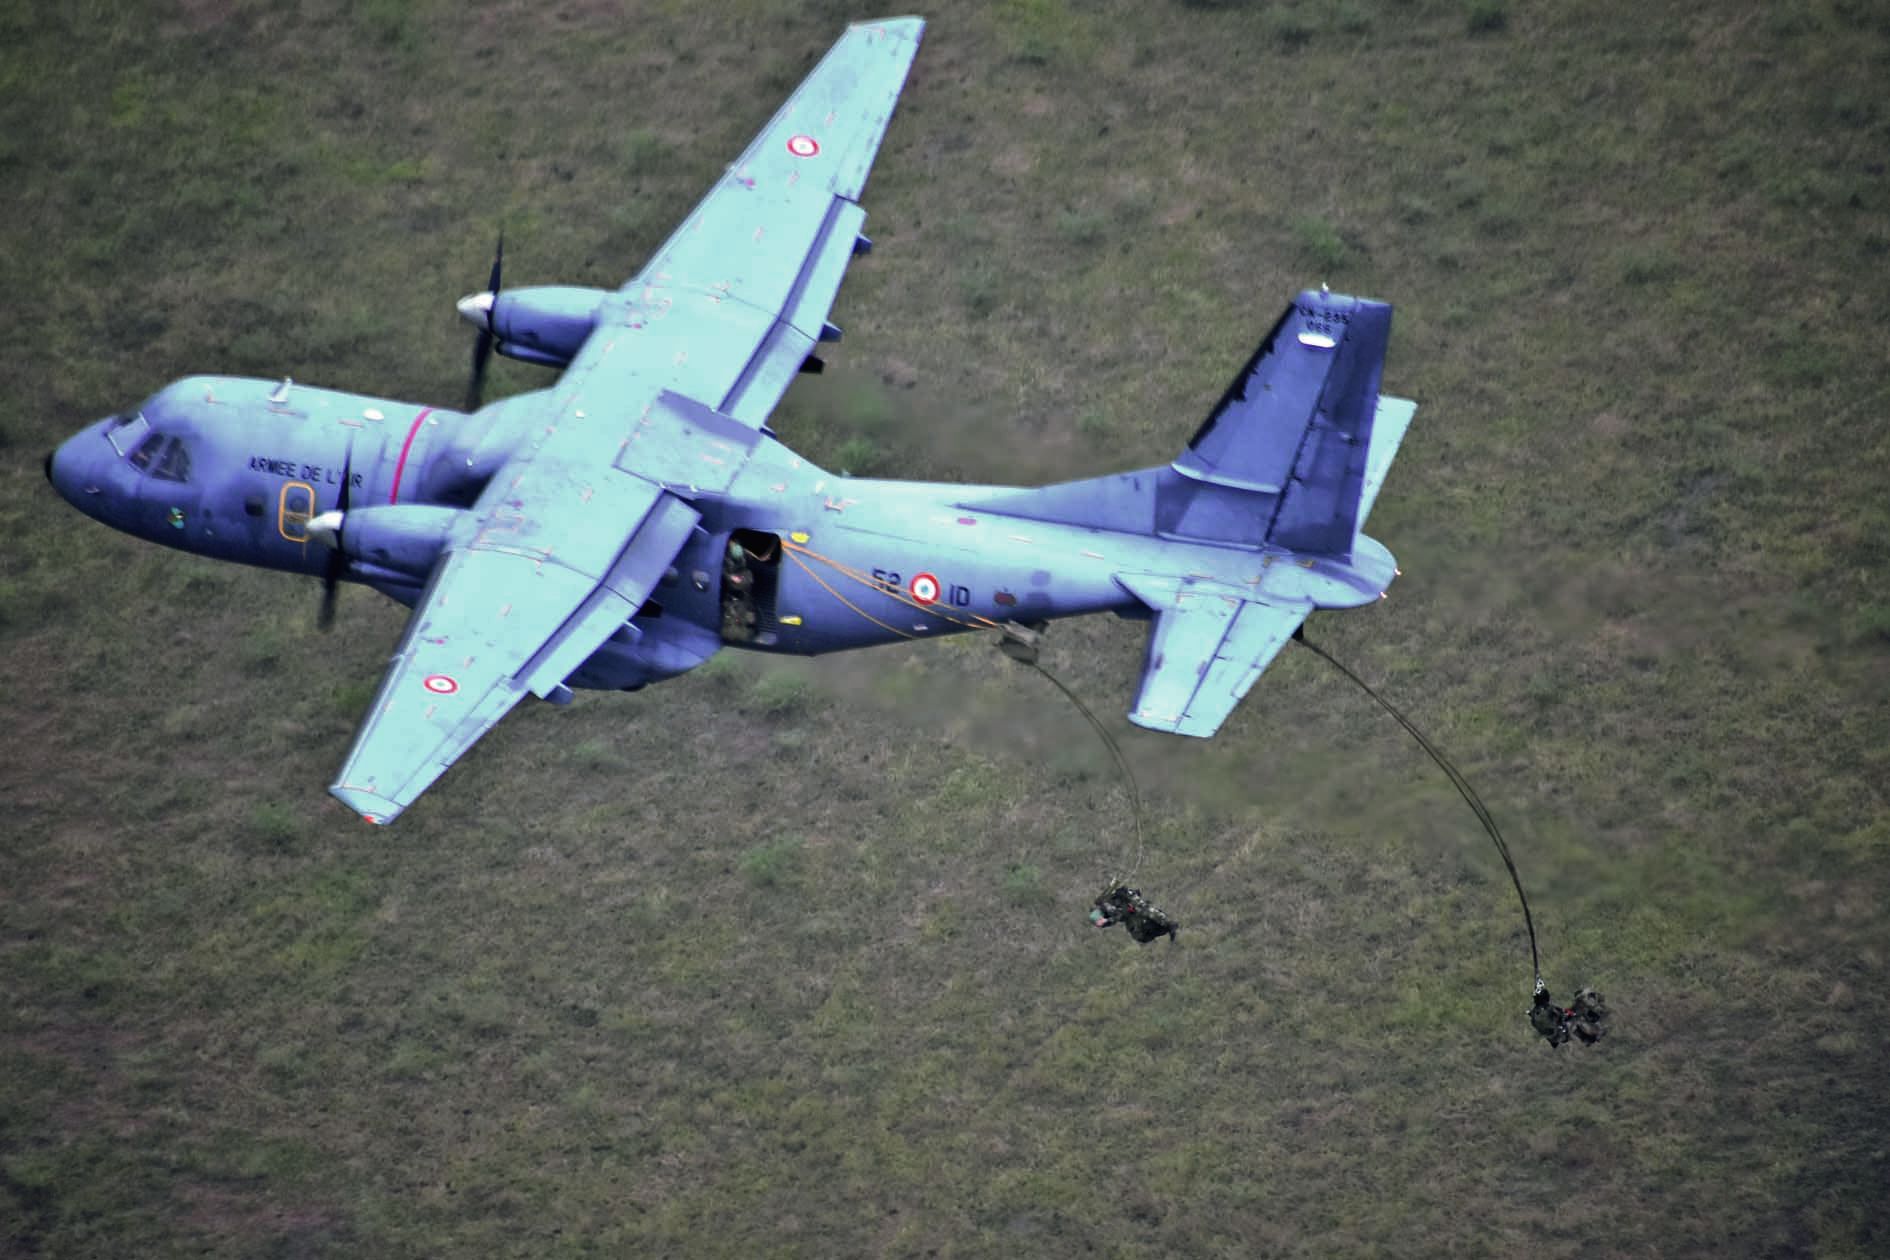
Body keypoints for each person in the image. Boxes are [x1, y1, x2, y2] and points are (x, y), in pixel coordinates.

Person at [1088, 884, 1178, 944]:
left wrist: (1124, 893)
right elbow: (1115, 918)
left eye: (1099, 921)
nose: (1101, 923)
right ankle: (1165, 928)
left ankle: (1169, 924)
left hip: (1131, 903)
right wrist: (1107, 921)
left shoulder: (1106, 906)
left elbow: (1117, 914)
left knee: (1148, 912)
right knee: (1139, 935)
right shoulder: (1106, 915)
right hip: (1129, 913)